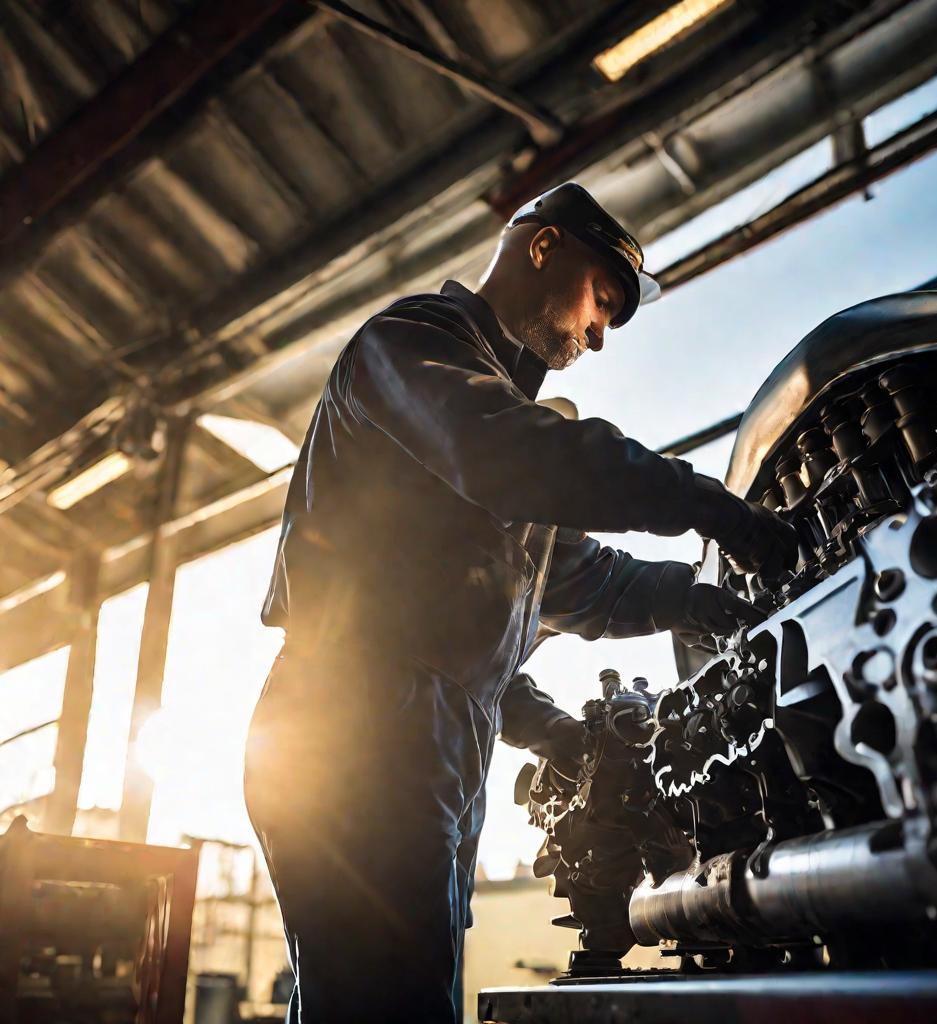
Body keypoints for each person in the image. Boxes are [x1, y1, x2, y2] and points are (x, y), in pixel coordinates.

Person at [243, 182, 798, 1023]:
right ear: (543, 249)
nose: (600, 336)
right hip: (348, 731)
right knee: (384, 1003)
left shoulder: (504, 471)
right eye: (601, 301)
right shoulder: (407, 348)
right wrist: (708, 505)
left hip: (431, 748)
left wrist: (705, 601)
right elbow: (505, 454)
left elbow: (589, 586)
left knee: (389, 999)